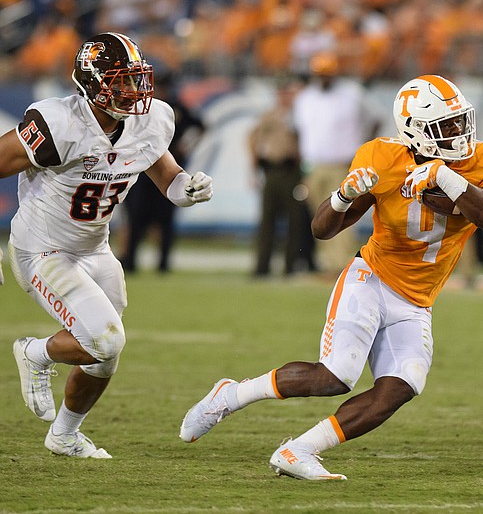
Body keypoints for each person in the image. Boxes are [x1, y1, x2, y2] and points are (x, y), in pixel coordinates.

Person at [179, 74, 483, 480]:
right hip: (371, 278)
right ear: (416, 131)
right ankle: (231, 395)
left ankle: (298, 449)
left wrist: (444, 175)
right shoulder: (382, 157)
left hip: (417, 299)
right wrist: (343, 196)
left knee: (401, 386)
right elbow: (321, 230)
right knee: (335, 376)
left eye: (461, 121)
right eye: (447, 126)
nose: (460, 132)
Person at [2, 32, 213, 458]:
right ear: (92, 83)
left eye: (136, 80)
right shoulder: (59, 123)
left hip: (95, 248)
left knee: (103, 354)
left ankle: (64, 435)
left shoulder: (152, 119)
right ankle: (35, 352)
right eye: (120, 81)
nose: (133, 91)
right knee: (105, 338)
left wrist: (185, 188)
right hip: (43, 249)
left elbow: (166, 177)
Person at [293, 51, 382, 276]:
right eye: (320, 74)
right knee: (320, 217)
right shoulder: (305, 98)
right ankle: (328, 265)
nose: (324, 78)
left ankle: (343, 265)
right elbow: (301, 133)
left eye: (327, 74)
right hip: (313, 166)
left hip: (342, 165)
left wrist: (364, 149)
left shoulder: (351, 93)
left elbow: (376, 118)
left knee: (341, 214)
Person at [120, 70, 206, 273]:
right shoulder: (138, 108)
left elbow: (200, 127)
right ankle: (131, 259)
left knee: (165, 220)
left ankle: (163, 263)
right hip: (141, 168)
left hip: (167, 166)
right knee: (136, 217)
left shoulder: (176, 109)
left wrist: (187, 145)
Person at [248, 76, 309, 277]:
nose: (284, 97)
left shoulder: (300, 116)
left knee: (294, 220)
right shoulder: (269, 116)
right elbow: (252, 139)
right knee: (267, 221)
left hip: (291, 171)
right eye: (281, 93)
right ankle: (262, 267)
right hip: (271, 171)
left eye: (287, 93)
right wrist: (254, 168)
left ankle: (290, 266)